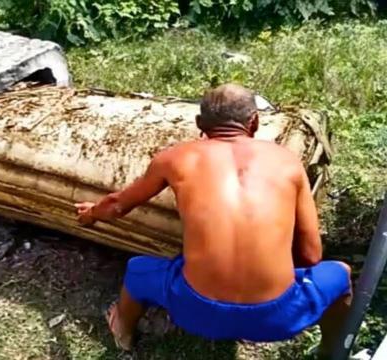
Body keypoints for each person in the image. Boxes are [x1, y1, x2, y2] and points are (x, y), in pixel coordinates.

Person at [74, 84, 352, 357]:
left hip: (196, 314)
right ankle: (331, 350)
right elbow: (311, 255)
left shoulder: (175, 158)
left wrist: (90, 214)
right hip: (277, 319)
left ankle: (123, 332)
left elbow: (118, 205)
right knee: (340, 273)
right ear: (254, 122)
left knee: (137, 271)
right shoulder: (287, 161)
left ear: (199, 123)